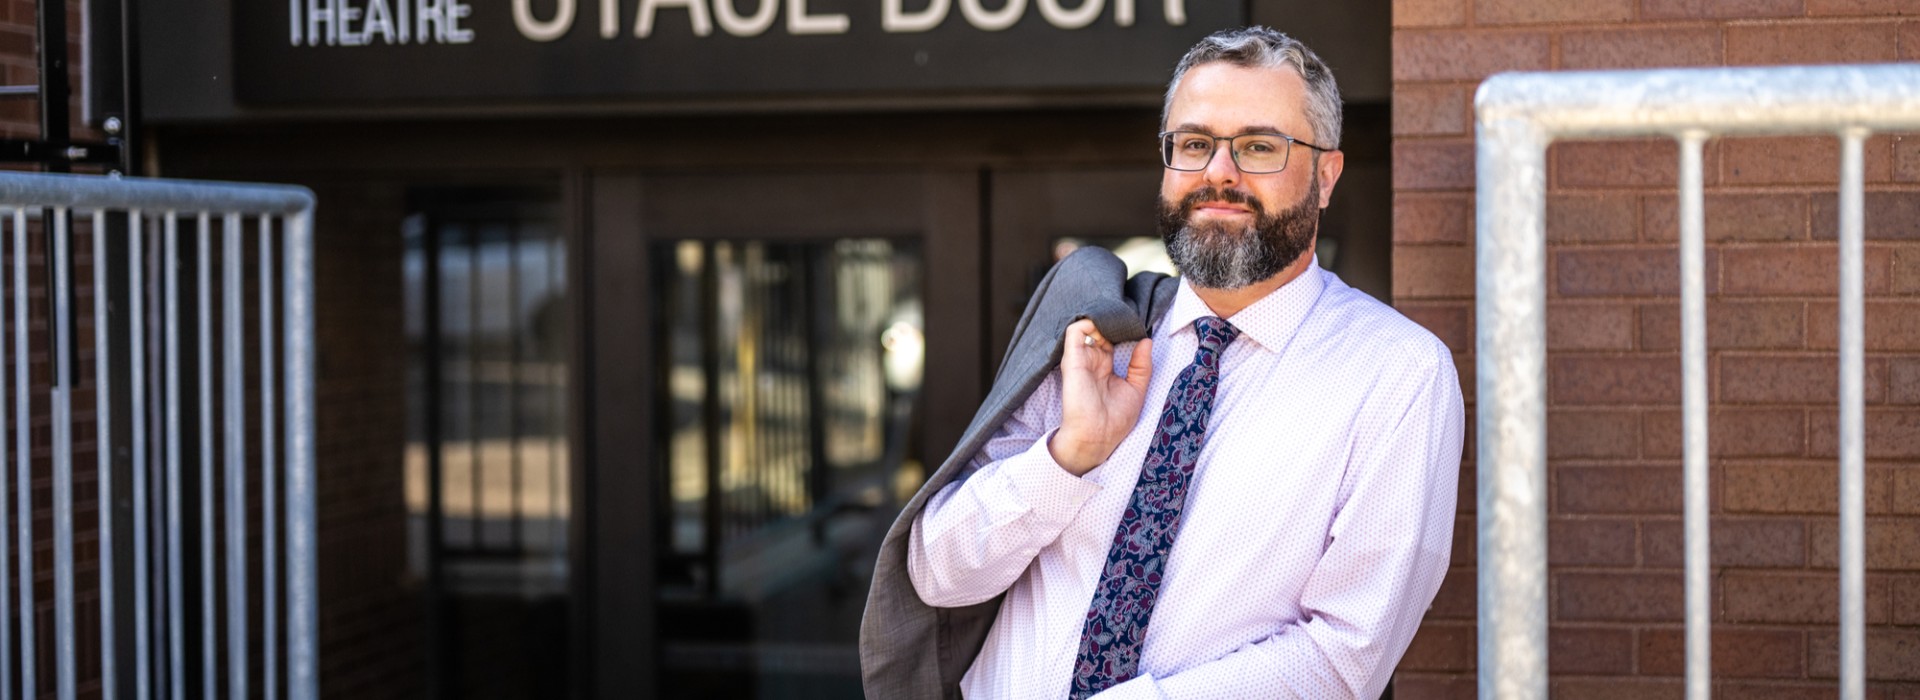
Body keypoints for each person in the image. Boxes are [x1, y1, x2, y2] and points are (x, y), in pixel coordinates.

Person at [863, 26, 1464, 699]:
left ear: (1325, 176)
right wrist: (1068, 457)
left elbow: (1343, 658)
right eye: (1195, 144)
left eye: (1259, 147)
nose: (1219, 173)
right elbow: (937, 574)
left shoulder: (1397, 374)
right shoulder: (1096, 333)